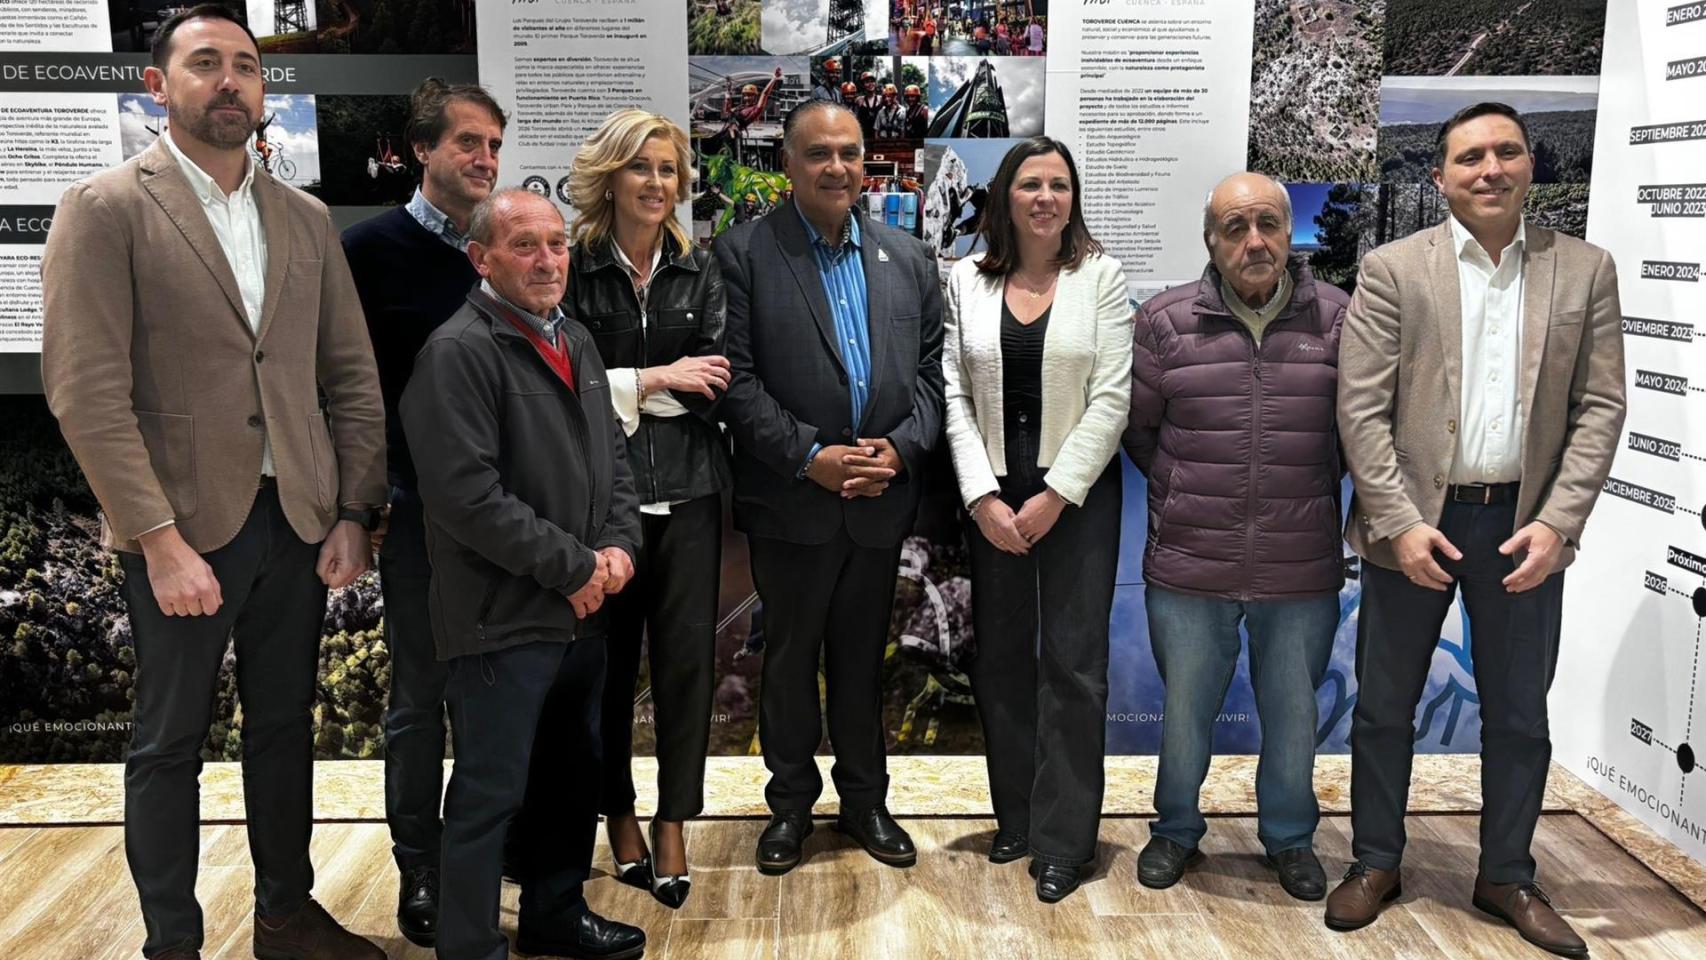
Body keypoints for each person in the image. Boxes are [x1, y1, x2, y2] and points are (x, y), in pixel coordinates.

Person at [40, 7, 387, 959]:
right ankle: (173, 944)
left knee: (284, 730)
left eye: (245, 65)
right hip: (186, 532)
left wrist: (354, 512)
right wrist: (156, 539)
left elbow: (350, 376)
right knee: (168, 744)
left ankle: (284, 916)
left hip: (299, 519)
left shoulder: (306, 217)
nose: (229, 80)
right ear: (159, 86)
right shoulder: (106, 207)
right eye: (205, 64)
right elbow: (85, 392)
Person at [1327, 102, 1626, 958]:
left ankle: (1506, 875)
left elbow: (1601, 407)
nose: (1489, 169)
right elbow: (1363, 410)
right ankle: (1377, 862)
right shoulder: (1390, 270)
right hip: (1412, 524)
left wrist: (1561, 523)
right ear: (1441, 176)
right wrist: (1399, 521)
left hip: (1525, 527)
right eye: (1470, 157)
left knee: (1519, 713)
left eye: (1506, 152)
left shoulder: (1586, 270)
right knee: (1384, 709)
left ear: (1532, 164)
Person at [400, 188, 646, 960]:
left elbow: (614, 461)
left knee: (572, 780)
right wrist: (575, 566)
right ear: (481, 258)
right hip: (503, 617)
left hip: (584, 612)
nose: (547, 260)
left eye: (557, 244)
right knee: (489, 795)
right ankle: (471, 946)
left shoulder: (574, 339)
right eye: (525, 246)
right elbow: (467, 498)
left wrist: (619, 547)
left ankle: (554, 915)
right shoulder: (457, 352)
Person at [714, 99, 944, 876]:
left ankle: (865, 802)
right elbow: (735, 384)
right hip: (793, 505)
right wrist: (807, 456)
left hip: (879, 501)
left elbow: (933, 378)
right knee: (788, 662)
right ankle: (789, 808)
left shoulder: (907, 258)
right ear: (790, 164)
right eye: (819, 153)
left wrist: (902, 450)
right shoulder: (744, 254)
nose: (839, 166)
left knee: (859, 662)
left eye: (850, 152)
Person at [1122, 172, 1348, 902]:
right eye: (1234, 228)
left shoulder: (1343, 320)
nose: (1254, 241)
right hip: (1192, 559)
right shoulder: (1162, 321)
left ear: (1291, 233)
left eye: (1268, 225)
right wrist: (1190, 493)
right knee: (1185, 708)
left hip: (1299, 561)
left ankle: (1288, 837)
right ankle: (1175, 830)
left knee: (1292, 713)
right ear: (1211, 243)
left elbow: (1356, 436)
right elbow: (1141, 432)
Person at [339, 77, 506, 949]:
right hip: (416, 519)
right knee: (416, 704)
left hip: (508, 525)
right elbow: (350, 394)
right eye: (468, 143)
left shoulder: (505, 248)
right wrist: (359, 509)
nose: (484, 159)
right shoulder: (369, 251)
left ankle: (479, 855)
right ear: (420, 150)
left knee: (496, 699)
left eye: (493, 147)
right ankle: (421, 866)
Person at [943, 137, 1131, 903]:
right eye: (1030, 184)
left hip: (1076, 494)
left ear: (1072, 198)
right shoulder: (965, 278)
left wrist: (1057, 492)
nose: (1045, 196)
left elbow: (1113, 396)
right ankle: (1015, 816)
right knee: (1002, 663)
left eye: (1059, 184)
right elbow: (952, 391)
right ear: (1005, 198)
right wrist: (981, 496)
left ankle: (1064, 840)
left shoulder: (1104, 277)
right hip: (992, 488)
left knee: (1075, 669)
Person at [563, 109, 731, 910]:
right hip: (602, 505)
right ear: (610, 177)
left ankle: (672, 818)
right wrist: (656, 380)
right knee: (604, 668)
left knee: (685, 670)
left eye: (668, 170)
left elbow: (717, 385)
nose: (658, 184)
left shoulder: (702, 270)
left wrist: (626, 386)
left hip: (694, 493)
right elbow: (564, 390)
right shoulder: (571, 266)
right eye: (641, 168)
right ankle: (618, 811)